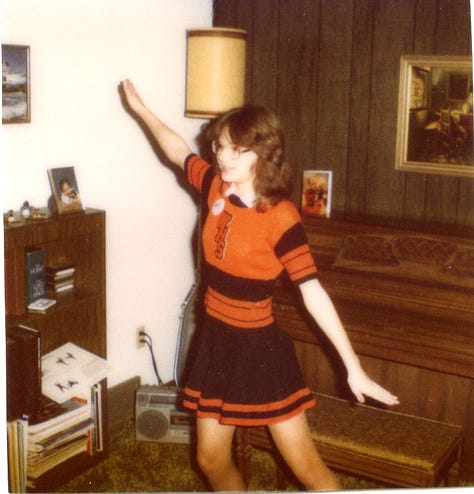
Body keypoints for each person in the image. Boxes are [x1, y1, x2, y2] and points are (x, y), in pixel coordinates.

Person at [121, 79, 399, 492]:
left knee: (306, 468)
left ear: (263, 153)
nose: (223, 157)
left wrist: (352, 367)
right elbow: (177, 151)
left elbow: (313, 292)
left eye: (238, 149)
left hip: (259, 351)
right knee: (210, 460)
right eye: (220, 147)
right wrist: (142, 111)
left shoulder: (280, 217)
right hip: (215, 342)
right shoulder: (215, 186)